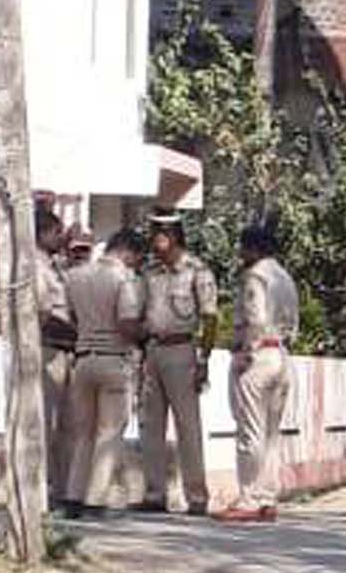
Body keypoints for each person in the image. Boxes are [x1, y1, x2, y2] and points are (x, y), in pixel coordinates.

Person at [134, 210, 219, 516]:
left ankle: (196, 497)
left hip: (182, 351)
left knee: (188, 426)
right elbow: (139, 312)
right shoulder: (149, 272)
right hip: (153, 351)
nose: (157, 239)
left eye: (163, 233)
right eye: (154, 232)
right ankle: (155, 493)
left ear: (176, 235)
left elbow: (209, 317)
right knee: (150, 425)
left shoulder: (197, 271)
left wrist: (204, 358)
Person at [214, 222, 300, 524]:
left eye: (243, 247)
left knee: (250, 429)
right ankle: (266, 496)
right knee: (271, 434)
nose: (240, 253)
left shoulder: (255, 276)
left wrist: (245, 351)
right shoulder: (284, 277)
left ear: (253, 248)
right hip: (280, 354)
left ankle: (249, 497)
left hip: (258, 354)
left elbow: (255, 317)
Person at [61, 225, 148, 519]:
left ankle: (73, 497)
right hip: (114, 359)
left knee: (83, 433)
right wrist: (143, 335)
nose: (137, 263)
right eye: (137, 257)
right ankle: (95, 500)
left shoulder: (75, 276)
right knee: (109, 432)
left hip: (83, 358)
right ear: (128, 251)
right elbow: (126, 322)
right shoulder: (124, 278)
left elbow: (68, 316)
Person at [34, 205, 78, 511]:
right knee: (47, 425)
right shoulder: (37, 268)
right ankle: (46, 489)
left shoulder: (55, 266)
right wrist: (76, 331)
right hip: (50, 349)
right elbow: (43, 314)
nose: (60, 238)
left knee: (68, 426)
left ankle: (64, 489)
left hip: (66, 352)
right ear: (42, 234)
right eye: (55, 233)